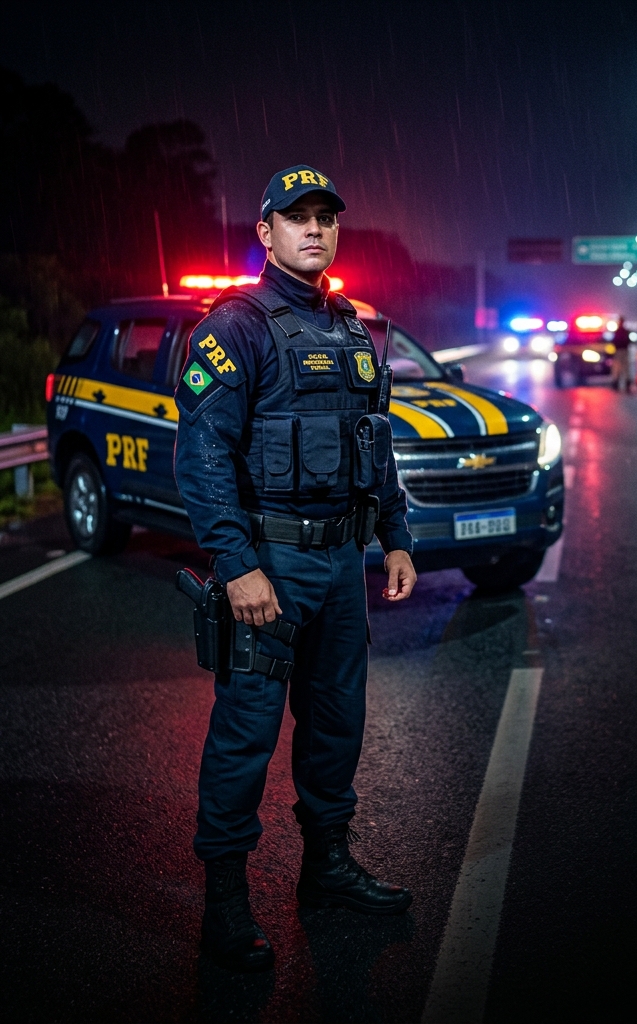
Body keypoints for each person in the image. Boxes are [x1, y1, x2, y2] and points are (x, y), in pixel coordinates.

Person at [174, 164, 418, 973]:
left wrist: (396, 535)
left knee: (335, 725)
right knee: (245, 735)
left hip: (343, 564)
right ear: (266, 232)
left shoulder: (351, 326)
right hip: (270, 568)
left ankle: (328, 869)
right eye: (296, 217)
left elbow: (372, 445)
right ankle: (226, 903)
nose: (314, 228)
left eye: (325, 217)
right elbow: (202, 454)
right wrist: (235, 564)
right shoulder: (235, 327)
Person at [611, 317, 634, 392]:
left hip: (620, 351)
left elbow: (614, 341)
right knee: (624, 368)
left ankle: (617, 384)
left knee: (618, 368)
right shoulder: (625, 331)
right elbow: (629, 341)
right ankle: (625, 384)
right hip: (623, 351)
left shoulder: (618, 331)